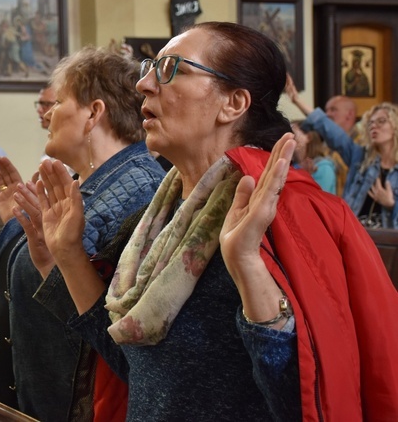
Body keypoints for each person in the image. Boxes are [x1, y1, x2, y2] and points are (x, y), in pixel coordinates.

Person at [30, 22, 398, 420]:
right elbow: (137, 370)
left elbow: (312, 403)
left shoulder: (286, 214)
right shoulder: (160, 214)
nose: (145, 85)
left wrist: (248, 267)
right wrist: (67, 254)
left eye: (172, 68)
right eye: (150, 67)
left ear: (233, 104)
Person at [0, 47, 166, 421]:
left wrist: (52, 257)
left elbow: (111, 331)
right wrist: (16, 224)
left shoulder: (139, 191)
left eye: (59, 101)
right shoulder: (86, 185)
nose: (47, 114)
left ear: (93, 113)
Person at [287, 86, 398, 228]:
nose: (374, 126)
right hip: (358, 235)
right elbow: (329, 130)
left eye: (381, 121)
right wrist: (296, 100)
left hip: (389, 243)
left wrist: (391, 204)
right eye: (371, 122)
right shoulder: (360, 157)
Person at [291, 121, 337, 194]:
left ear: (308, 137)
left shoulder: (323, 168)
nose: (289, 137)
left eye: (294, 134)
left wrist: (305, 176)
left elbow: (319, 200)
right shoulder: (294, 164)